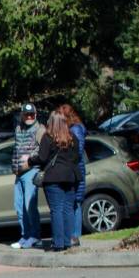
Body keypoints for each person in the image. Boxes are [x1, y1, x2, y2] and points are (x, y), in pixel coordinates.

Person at [27, 111, 80, 252]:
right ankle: (67, 241)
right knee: (68, 209)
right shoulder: (72, 137)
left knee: (56, 210)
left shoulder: (48, 137)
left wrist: (30, 159)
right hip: (70, 177)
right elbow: (77, 157)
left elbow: (42, 158)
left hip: (53, 177)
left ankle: (58, 243)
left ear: (52, 122)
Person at [11, 103, 45, 249]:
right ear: (22, 115)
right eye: (27, 114)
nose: (29, 117)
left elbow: (42, 151)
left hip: (31, 171)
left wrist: (29, 161)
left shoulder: (40, 129)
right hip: (18, 173)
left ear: (36, 114)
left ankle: (34, 236)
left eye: (32, 114)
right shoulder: (18, 128)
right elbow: (16, 149)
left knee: (29, 205)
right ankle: (25, 235)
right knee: (19, 206)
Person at [58, 104, 87, 246]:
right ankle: (72, 235)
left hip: (76, 170)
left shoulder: (76, 129)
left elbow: (78, 151)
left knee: (76, 202)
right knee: (72, 202)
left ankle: (75, 236)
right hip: (73, 169)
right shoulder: (71, 129)